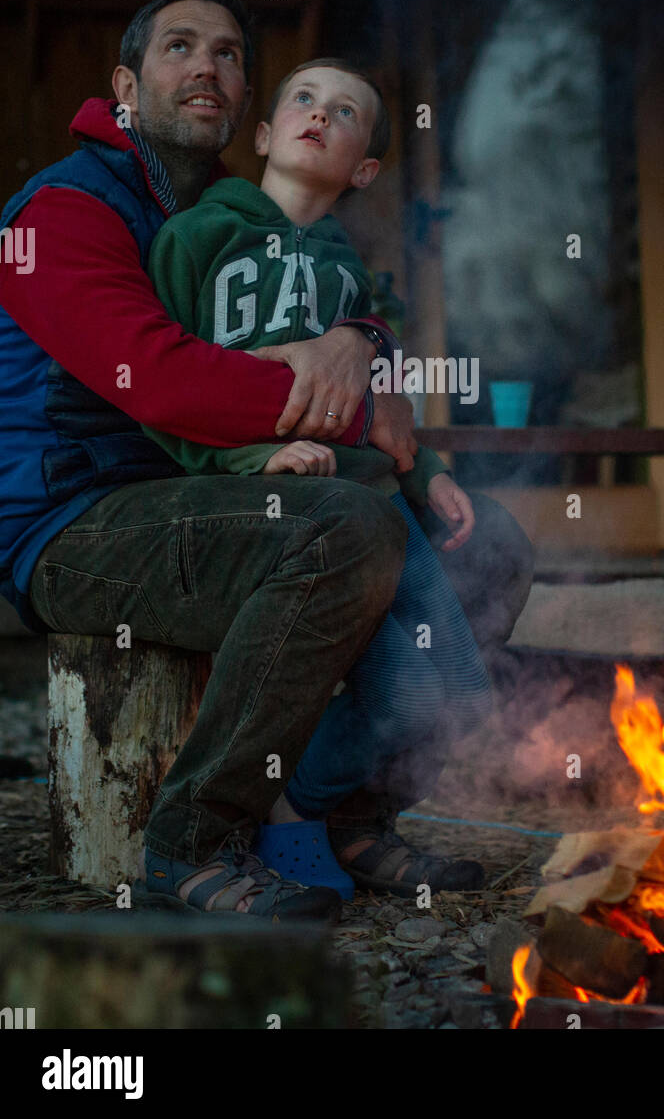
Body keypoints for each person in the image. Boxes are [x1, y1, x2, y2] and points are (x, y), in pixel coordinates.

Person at [0, 0, 534, 919]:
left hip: (210, 493)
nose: (207, 64)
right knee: (341, 528)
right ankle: (191, 840)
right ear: (124, 86)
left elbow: (342, 311)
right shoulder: (61, 214)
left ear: (247, 102)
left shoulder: (247, 217)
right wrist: (359, 414)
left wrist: (365, 345)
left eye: (231, 54)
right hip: (73, 516)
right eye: (179, 47)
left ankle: (352, 815)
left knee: (486, 542)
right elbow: (153, 378)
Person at [139, 57, 494, 897]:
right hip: (269, 499)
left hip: (377, 500)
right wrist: (250, 457)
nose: (318, 115)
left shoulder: (349, 275)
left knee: (460, 698)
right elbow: (164, 392)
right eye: (302, 99)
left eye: (345, 112)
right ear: (263, 134)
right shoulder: (195, 238)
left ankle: (315, 809)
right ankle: (292, 816)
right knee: (406, 696)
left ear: (363, 168)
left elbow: (386, 392)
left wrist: (427, 473)